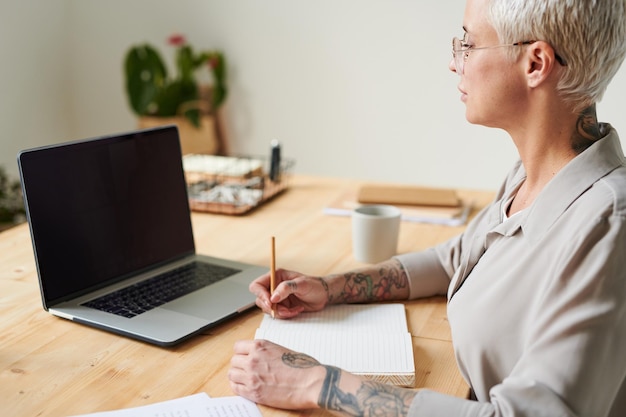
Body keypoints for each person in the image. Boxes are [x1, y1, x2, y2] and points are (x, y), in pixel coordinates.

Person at [228, 0, 626, 415]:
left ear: (535, 63)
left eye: (468, 45)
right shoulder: (536, 176)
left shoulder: (607, 225)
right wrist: (330, 288)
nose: (455, 64)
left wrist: (318, 382)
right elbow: (458, 259)